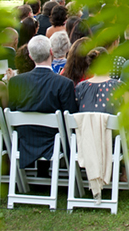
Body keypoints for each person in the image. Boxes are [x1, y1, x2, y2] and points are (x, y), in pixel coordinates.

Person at [7, 35, 77, 168]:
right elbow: (70, 117)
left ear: (31, 56)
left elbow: (12, 112)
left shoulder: (16, 82)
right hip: (55, 142)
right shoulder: (63, 83)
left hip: (25, 140)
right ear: (51, 52)